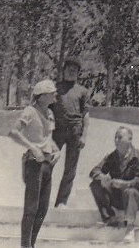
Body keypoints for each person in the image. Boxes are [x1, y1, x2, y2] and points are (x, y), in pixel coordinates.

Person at [8, 79, 61, 248]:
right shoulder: (30, 111)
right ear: (42, 96)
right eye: (51, 93)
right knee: (31, 208)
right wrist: (33, 148)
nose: (55, 95)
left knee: (43, 209)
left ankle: (31, 244)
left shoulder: (50, 113)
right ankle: (25, 245)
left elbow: (48, 138)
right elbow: (13, 132)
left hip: (47, 164)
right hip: (33, 163)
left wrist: (57, 150)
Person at [89, 126, 139, 232]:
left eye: (120, 137)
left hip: (138, 197)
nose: (116, 140)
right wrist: (103, 178)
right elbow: (94, 171)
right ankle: (109, 218)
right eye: (115, 137)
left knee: (130, 192)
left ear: (130, 139)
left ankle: (129, 228)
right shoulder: (111, 157)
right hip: (119, 197)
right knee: (95, 184)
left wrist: (124, 184)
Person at [49, 57, 90, 208]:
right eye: (69, 69)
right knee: (48, 164)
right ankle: (42, 198)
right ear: (64, 70)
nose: (72, 72)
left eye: (75, 70)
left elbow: (85, 114)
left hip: (75, 131)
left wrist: (84, 135)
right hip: (57, 131)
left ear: (78, 73)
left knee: (70, 169)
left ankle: (61, 202)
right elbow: (47, 110)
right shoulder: (54, 89)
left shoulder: (82, 91)